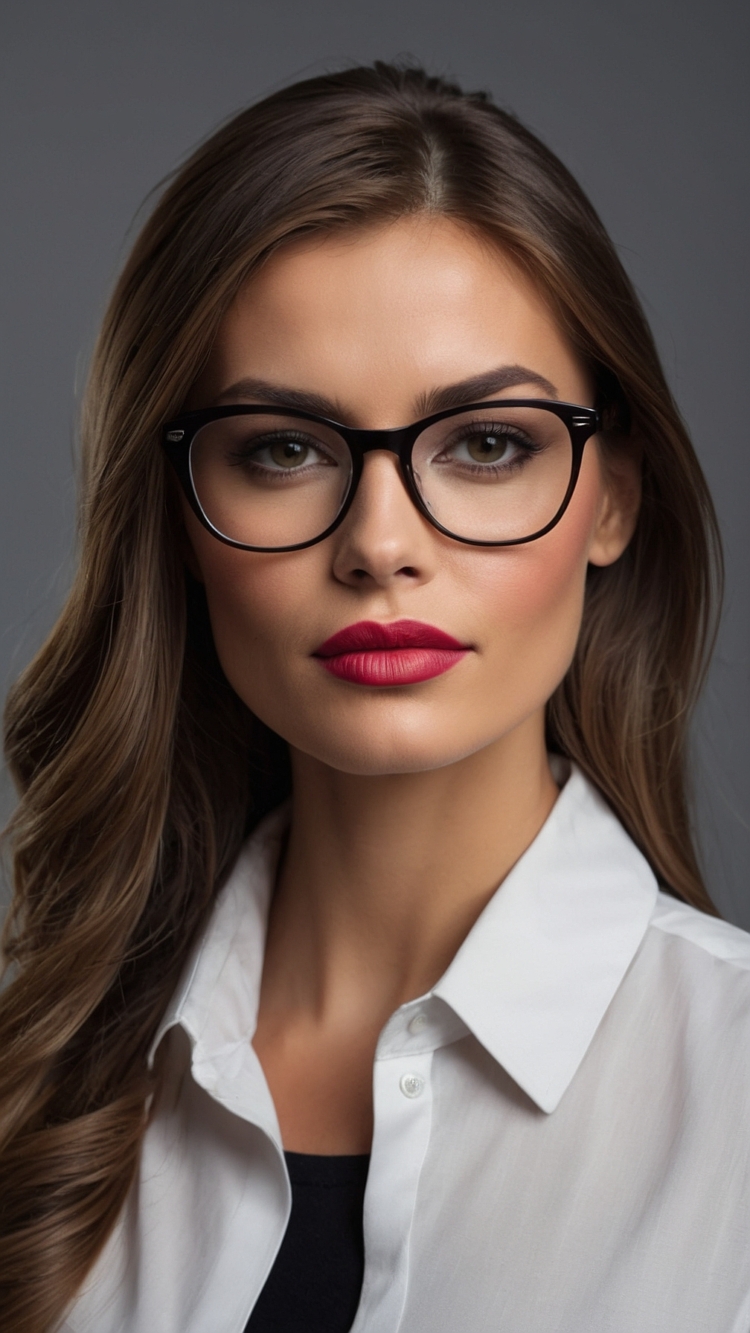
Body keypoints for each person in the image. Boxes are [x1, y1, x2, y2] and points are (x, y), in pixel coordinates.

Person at [1, 61, 749, 1333]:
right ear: (177, 518)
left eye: (490, 443)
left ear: (614, 494)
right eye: (285, 451)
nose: (382, 542)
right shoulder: (33, 1103)